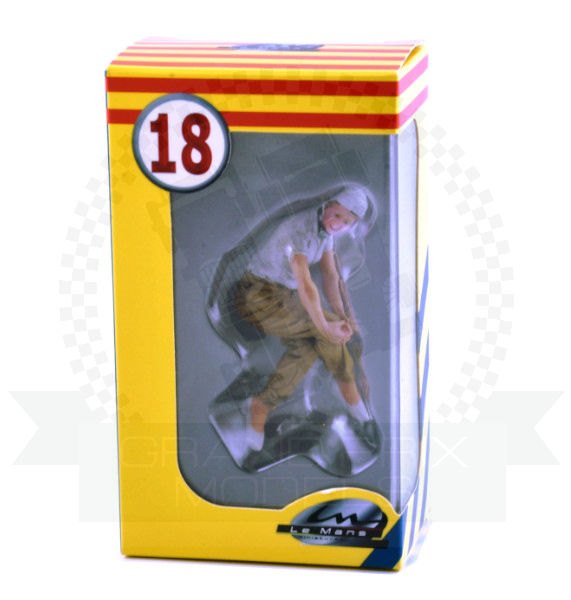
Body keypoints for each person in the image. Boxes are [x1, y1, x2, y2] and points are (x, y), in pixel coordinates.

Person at [233, 184, 374, 451]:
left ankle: (261, 406)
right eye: (337, 215)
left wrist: (344, 317)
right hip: (255, 294)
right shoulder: (301, 230)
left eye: (346, 222)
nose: (338, 224)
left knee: (308, 347)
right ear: (329, 204)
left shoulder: (326, 232)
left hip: (282, 296)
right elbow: (305, 283)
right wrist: (325, 326)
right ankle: (354, 402)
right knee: (324, 336)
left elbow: (330, 275)